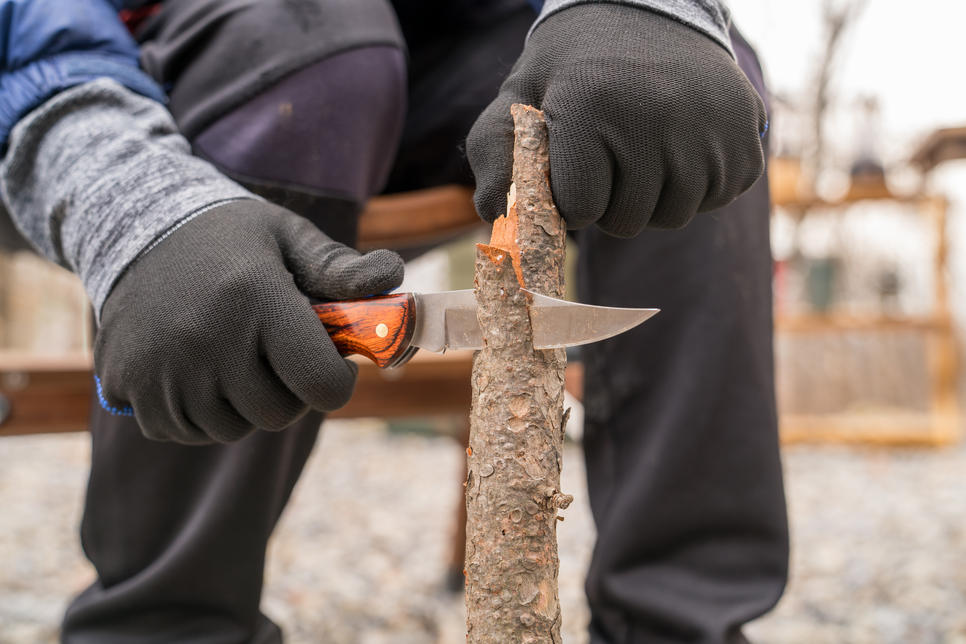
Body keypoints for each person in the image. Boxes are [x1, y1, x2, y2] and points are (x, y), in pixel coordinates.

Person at [0, 0, 786, 642]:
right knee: (311, 41)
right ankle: (163, 624)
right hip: (157, 98)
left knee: (690, 80)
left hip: (452, 71)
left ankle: (678, 625)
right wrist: (144, 219)